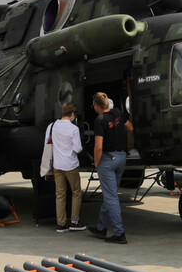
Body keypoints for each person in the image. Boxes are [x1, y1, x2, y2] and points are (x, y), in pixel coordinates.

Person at [88, 91, 132, 244]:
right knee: (111, 193)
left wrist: (96, 162)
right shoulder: (118, 113)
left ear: (96, 106)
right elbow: (130, 127)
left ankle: (119, 233)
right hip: (121, 157)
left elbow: (98, 146)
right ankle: (101, 228)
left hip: (108, 159)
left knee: (111, 197)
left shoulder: (99, 120)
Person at [46, 102, 86, 233]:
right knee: (76, 192)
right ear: (73, 114)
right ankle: (74, 221)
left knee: (60, 194)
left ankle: (61, 224)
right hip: (71, 165)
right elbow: (78, 148)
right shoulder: (74, 129)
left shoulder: (54, 126)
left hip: (57, 165)